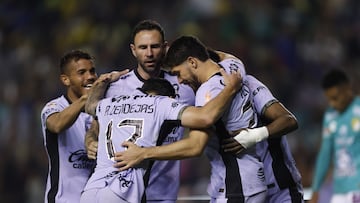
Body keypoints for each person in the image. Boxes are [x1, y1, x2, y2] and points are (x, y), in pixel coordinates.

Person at [115, 35, 269, 203]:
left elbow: (196, 145)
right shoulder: (233, 67)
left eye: (178, 73)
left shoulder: (207, 91)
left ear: (192, 62)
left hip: (237, 186)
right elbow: (227, 56)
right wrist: (194, 50)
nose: (179, 81)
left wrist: (143, 153)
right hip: (248, 180)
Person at [81, 74, 241, 202]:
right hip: (121, 192)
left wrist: (103, 81)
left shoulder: (109, 103)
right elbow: (205, 117)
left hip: (90, 190)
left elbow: (90, 106)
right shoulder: (160, 103)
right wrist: (231, 88)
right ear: (170, 97)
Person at [84, 19, 195, 203]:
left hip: (163, 194)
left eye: (155, 47)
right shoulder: (115, 87)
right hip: (120, 192)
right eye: (143, 47)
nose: (149, 53)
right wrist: (90, 141)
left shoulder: (184, 86)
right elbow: (95, 128)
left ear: (165, 48)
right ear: (133, 50)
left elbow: (205, 122)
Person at [210, 49, 304, 203]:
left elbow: (289, 120)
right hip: (242, 191)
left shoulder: (249, 85)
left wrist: (253, 135)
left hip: (280, 189)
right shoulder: (206, 98)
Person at [40, 50, 98, 203]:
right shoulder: (54, 107)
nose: (90, 76)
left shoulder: (102, 108)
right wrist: (87, 98)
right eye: (82, 72)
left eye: (92, 71)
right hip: (63, 199)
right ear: (65, 80)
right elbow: (57, 125)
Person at [309, 69, 360, 203]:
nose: (333, 103)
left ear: (347, 88)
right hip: (340, 190)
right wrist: (315, 189)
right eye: (329, 99)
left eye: (336, 98)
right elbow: (325, 154)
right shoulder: (330, 116)